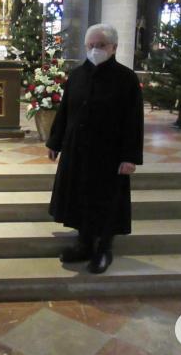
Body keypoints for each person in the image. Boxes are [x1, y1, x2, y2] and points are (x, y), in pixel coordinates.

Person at [46, 23, 144, 274]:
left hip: (109, 155)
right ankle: (84, 244)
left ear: (113, 48)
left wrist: (130, 156)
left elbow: (133, 120)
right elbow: (65, 111)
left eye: (101, 45)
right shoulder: (77, 75)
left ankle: (104, 249)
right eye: (91, 45)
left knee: (106, 202)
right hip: (77, 150)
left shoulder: (126, 79)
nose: (95, 49)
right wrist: (55, 143)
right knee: (79, 198)